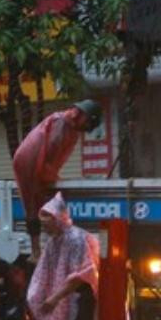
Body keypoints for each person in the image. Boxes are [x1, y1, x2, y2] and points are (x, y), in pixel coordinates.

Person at [11, 99, 102, 260]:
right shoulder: (62, 123)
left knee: (41, 201)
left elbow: (55, 159)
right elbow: (51, 151)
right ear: (81, 115)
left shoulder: (71, 128)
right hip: (30, 161)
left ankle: (41, 247)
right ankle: (36, 250)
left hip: (38, 161)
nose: (86, 128)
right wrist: (49, 177)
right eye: (87, 122)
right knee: (34, 202)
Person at [26, 192, 101, 320]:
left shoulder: (76, 239)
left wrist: (54, 298)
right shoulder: (54, 241)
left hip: (84, 291)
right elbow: (45, 272)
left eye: (47, 224)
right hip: (68, 294)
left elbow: (82, 275)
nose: (45, 229)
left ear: (57, 219)